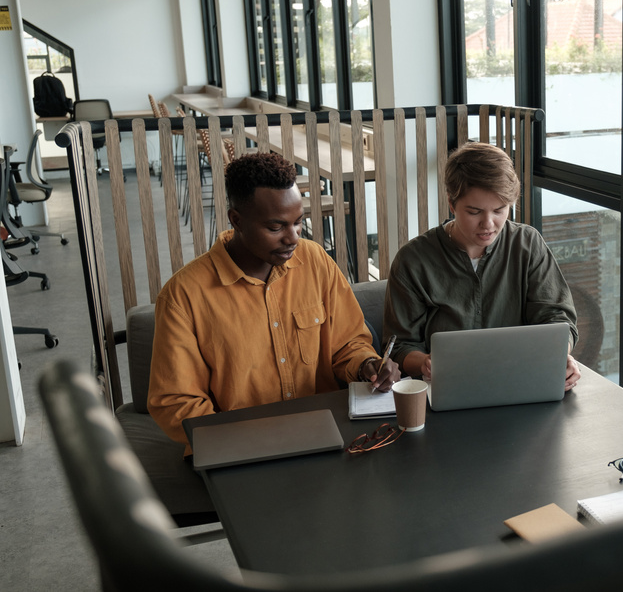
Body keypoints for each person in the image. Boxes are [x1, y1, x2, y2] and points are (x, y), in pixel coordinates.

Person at [148, 151, 399, 454]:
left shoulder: (315, 261)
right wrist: (242, 443)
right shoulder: (183, 295)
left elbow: (348, 343)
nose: (292, 238)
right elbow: (175, 402)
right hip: (239, 448)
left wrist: (366, 365)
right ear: (237, 220)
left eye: (298, 223)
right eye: (276, 227)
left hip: (329, 437)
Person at [383, 142, 581, 390]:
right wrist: (425, 362)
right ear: (451, 203)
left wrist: (560, 355)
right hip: (446, 388)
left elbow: (557, 319)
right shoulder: (413, 260)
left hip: (522, 384)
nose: (488, 224)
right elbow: (400, 345)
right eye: (474, 212)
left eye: (499, 210)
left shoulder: (528, 244)